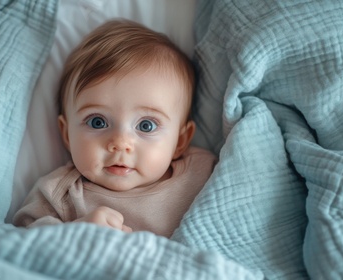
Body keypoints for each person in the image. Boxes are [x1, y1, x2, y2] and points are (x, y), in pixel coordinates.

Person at [13, 20, 217, 238]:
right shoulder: (60, 193)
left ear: (179, 141)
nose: (120, 142)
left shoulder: (203, 173)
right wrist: (78, 232)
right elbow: (21, 239)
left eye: (146, 125)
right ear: (67, 134)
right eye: (97, 122)